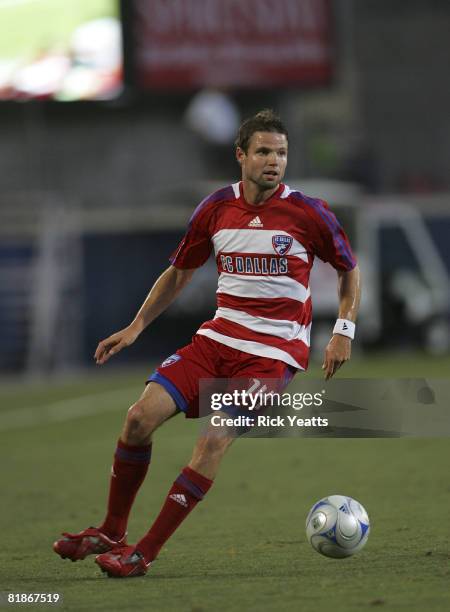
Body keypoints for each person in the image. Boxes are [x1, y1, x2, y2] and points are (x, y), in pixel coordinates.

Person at [53, 109, 361, 578]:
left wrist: (343, 331)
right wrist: (136, 327)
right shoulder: (216, 208)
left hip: (271, 355)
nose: (273, 161)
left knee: (213, 437)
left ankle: (143, 553)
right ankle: (113, 531)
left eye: (280, 152)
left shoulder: (308, 212)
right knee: (137, 419)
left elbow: (348, 269)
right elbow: (180, 272)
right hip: (217, 337)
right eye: (263, 151)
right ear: (240, 156)